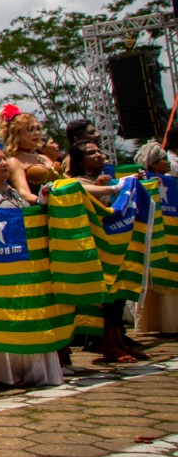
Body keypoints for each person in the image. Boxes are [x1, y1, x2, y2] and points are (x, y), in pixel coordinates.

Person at [0, 146, 63, 388]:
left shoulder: (14, 193)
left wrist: (44, 200)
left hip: (21, 263)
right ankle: (3, 372)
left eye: (4, 160)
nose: (4, 164)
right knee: (4, 313)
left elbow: (28, 217)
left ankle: (32, 367)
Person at [66, 140, 144, 364]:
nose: (99, 155)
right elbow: (81, 193)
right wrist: (112, 188)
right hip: (96, 247)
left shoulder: (107, 179)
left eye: (99, 151)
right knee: (107, 299)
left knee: (118, 297)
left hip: (114, 245)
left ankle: (119, 342)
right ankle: (109, 346)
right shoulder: (75, 182)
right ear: (80, 161)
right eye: (92, 153)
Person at [134, 141, 178, 334]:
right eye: (162, 159)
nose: (167, 162)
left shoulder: (172, 181)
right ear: (152, 164)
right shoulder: (144, 183)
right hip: (156, 238)